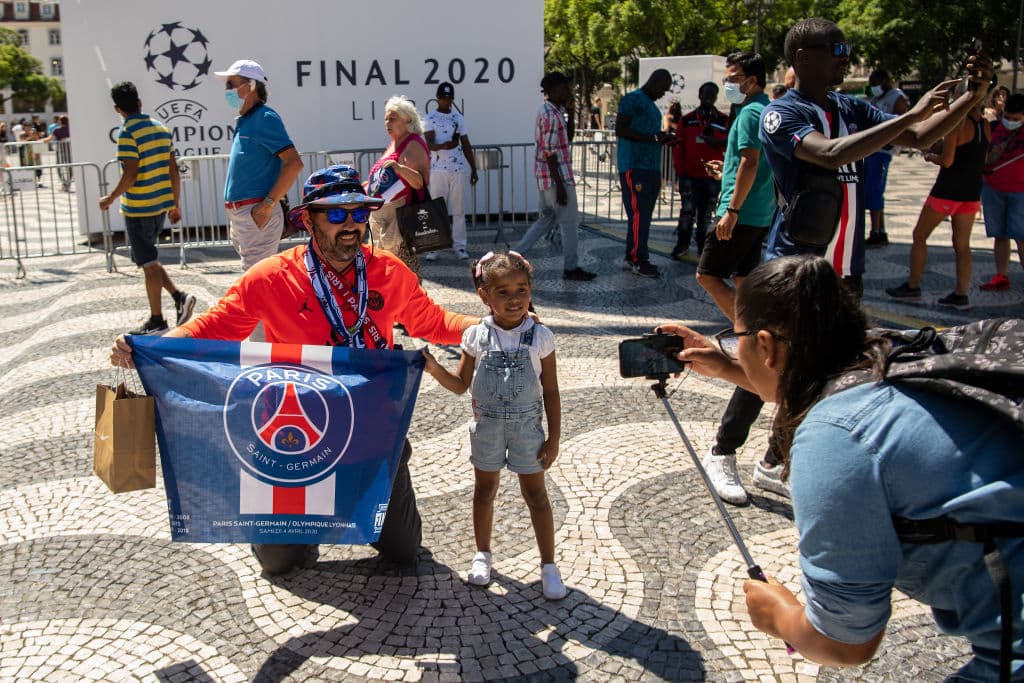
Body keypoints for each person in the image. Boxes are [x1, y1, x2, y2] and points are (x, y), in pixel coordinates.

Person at [659, 255, 1022, 681]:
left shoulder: (835, 436)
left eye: (735, 338)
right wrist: (725, 366)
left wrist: (779, 615)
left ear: (765, 346)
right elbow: (803, 380)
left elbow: (846, 642)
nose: (733, 347)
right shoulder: (882, 351)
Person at [111, 164, 479, 574]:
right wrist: (150, 347)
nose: (352, 225)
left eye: (359, 213)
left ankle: (351, 510)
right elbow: (213, 327)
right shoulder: (271, 277)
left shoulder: (389, 273)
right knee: (280, 563)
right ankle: (292, 527)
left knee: (403, 552)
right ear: (307, 219)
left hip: (372, 429)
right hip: (294, 436)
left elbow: (432, 321)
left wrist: (485, 326)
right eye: (336, 214)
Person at [759, 17, 993, 300]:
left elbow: (919, 137)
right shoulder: (780, 114)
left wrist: (970, 97)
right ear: (803, 57)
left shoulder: (852, 108)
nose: (845, 57)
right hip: (796, 264)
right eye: (837, 49)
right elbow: (830, 154)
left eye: (847, 48)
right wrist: (912, 114)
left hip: (847, 268)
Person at [422, 251, 569, 601]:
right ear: (483, 295)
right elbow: (460, 386)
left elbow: (550, 390)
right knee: (484, 492)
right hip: (486, 428)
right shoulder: (474, 337)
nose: (514, 299)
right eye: (502, 291)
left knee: (536, 495)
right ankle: (483, 554)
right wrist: (433, 368)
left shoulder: (541, 337)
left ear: (531, 290)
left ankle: (549, 565)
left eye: (521, 289)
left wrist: (555, 439)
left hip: (527, 431)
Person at [694, 53, 783, 505]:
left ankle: (745, 332)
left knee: (707, 273)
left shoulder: (749, 112)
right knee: (745, 280)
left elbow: (749, 161)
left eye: (732, 79)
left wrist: (730, 207)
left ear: (751, 80)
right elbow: (747, 165)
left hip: (741, 214)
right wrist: (725, 175)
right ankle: (748, 327)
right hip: (758, 212)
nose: (727, 85)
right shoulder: (768, 110)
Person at [98, 82, 195, 336]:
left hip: (138, 207)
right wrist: (175, 204)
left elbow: (130, 173)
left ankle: (156, 319)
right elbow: (173, 169)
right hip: (159, 207)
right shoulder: (161, 128)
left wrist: (110, 197)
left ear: (117, 108)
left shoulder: (127, 132)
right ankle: (179, 296)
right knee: (150, 260)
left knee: (148, 264)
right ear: (139, 103)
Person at [887, 89, 990, 309]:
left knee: (919, 235)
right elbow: (981, 156)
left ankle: (913, 286)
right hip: (972, 192)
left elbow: (948, 161)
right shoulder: (985, 125)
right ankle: (961, 294)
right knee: (962, 245)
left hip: (948, 190)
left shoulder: (957, 124)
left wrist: (930, 156)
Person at [215, 59, 304, 273]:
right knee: (260, 278)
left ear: (250, 87)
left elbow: (294, 163)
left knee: (255, 279)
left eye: (231, 84)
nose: (227, 90)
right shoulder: (248, 120)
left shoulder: (264, 117)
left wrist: (267, 205)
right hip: (245, 213)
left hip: (255, 212)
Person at [513, 72, 597, 282]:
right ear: (554, 89)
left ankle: (515, 256)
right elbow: (550, 153)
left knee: (546, 219)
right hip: (556, 179)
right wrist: (560, 186)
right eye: (565, 87)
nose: (569, 91)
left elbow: (568, 138)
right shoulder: (550, 115)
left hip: (547, 179)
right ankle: (571, 267)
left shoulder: (553, 111)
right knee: (569, 224)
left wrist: (571, 112)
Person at [616, 69, 675, 278]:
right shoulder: (633, 99)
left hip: (650, 167)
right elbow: (621, 129)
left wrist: (663, 139)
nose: (663, 93)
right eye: (663, 88)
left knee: (643, 216)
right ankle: (638, 259)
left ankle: (632, 256)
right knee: (639, 214)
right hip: (634, 165)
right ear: (655, 81)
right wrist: (653, 138)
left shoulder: (649, 104)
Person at [365, 95, 431, 276]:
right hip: (381, 216)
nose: (387, 122)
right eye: (386, 118)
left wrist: (399, 168)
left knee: (399, 271)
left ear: (408, 119)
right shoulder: (395, 144)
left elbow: (421, 182)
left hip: (398, 218)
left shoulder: (413, 143)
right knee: (382, 269)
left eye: (393, 118)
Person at [670, 82, 728, 259]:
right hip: (689, 176)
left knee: (706, 215)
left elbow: (728, 143)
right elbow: (678, 147)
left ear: (716, 97)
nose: (708, 97)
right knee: (687, 212)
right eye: (706, 94)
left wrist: (715, 142)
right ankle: (682, 244)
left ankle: (703, 248)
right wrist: (680, 171)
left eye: (712, 94)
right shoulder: (687, 120)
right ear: (699, 95)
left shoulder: (723, 120)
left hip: (711, 178)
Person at [423, 82, 478, 261]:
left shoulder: (458, 118)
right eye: (443, 98)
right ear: (438, 98)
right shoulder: (429, 118)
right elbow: (428, 143)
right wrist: (442, 146)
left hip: (457, 169)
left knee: (459, 209)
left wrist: (474, 168)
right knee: (437, 209)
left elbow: (466, 144)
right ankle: (434, 247)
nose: (446, 101)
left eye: (449, 99)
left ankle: (460, 246)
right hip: (438, 170)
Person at [978, 93, 1024, 292]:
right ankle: (1001, 276)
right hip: (993, 188)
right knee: (1000, 235)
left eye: (1017, 119)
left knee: (1021, 237)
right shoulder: (994, 127)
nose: (1011, 122)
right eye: (1008, 117)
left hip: (1020, 192)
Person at [863, 69, 910, 248]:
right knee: (870, 191)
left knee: (875, 191)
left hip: (882, 152)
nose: (872, 87)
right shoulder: (876, 98)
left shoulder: (896, 96)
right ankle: (879, 229)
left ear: (883, 82)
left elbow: (902, 121)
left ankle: (876, 232)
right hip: (871, 150)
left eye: (874, 83)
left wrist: (889, 143)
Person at [43, 115, 71, 191]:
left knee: (59, 167)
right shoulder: (71, 129)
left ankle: (64, 183)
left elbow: (49, 139)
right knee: (70, 167)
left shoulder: (57, 130)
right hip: (70, 150)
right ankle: (68, 183)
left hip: (60, 150)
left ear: (60, 121)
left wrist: (42, 140)